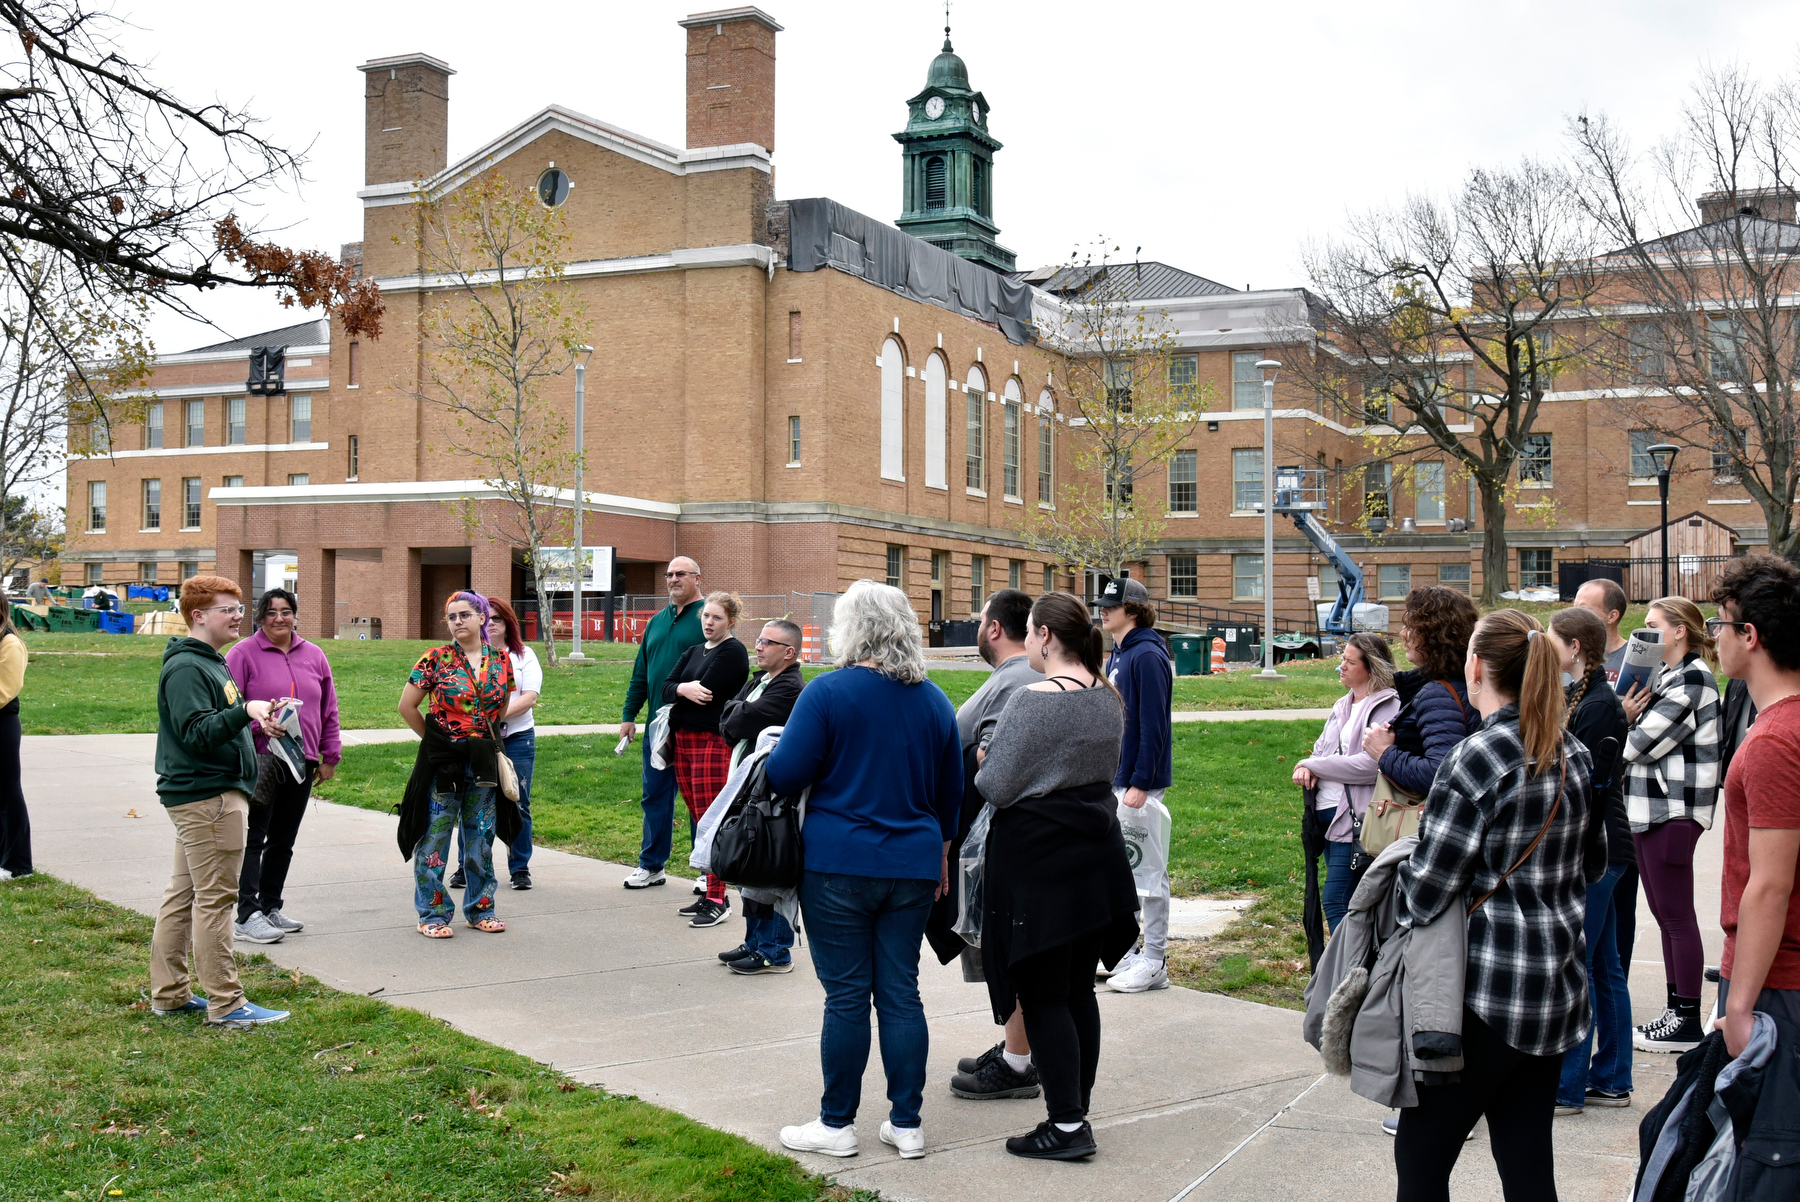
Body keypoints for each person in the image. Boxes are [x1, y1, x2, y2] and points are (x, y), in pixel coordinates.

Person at [1395, 609, 1604, 1199]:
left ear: (1476, 666)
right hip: (1554, 989)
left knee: (1421, 1159)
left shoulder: (1477, 756)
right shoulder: (1574, 754)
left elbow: (1429, 890)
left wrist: (1401, 868)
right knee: (1527, 1160)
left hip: (1483, 994)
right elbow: (1591, 864)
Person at [769, 580, 962, 1162]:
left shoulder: (827, 694)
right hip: (913, 864)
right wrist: (942, 856)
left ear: (851, 630)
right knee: (902, 993)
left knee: (847, 996)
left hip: (838, 864)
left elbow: (784, 775)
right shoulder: (934, 700)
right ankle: (907, 1124)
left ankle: (837, 1124)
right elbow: (952, 793)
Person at [975, 592, 1140, 1160]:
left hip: (1040, 862)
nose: (1026, 645)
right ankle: (1075, 1111)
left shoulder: (1031, 700)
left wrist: (988, 757)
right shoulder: (1107, 696)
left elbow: (995, 786)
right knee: (1075, 992)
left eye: (1028, 635)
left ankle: (1068, 1126)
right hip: (1093, 856)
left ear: (1044, 636)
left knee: (1044, 995)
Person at [148, 575, 289, 1027]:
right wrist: (244, 709)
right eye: (228, 608)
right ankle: (227, 1003)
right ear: (198, 615)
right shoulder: (189, 667)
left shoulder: (210, 661)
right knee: (217, 899)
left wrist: (254, 720)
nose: (238, 615)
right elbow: (196, 733)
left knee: (184, 894)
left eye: (239, 607)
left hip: (205, 796)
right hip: (209, 798)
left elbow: (212, 725)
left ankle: (169, 993)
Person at [939, 588, 1046, 1101]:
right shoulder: (1010, 677)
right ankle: (1016, 1049)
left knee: (1011, 956)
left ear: (995, 628)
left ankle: (1020, 1063)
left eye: (981, 620)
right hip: (991, 840)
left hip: (1001, 842)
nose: (978, 628)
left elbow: (1000, 768)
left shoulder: (1020, 678)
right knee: (1003, 955)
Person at [1708, 557, 1800, 1141]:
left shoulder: (1773, 739)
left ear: (1751, 635)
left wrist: (1739, 1006)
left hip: (1777, 980)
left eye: (1720, 623)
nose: (1713, 637)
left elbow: (1770, 884)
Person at [1622, 595, 1721, 1052]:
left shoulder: (1693, 679)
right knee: (1664, 916)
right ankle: (1673, 1009)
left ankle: (1685, 1018)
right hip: (1649, 808)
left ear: (1679, 631)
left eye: (1653, 625)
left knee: (1677, 916)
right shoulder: (1666, 675)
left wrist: (1622, 718)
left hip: (1674, 811)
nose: (1643, 633)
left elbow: (1636, 745)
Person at [1546, 606, 1633, 1116]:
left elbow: (1590, 790)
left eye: (1554, 640)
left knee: (1581, 965)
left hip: (1601, 849)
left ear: (1575, 647)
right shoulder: (1586, 695)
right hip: (1606, 846)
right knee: (1602, 964)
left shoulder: (1598, 704)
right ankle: (1612, 1078)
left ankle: (1569, 1087)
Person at [225, 588, 343, 944]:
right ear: (259, 617)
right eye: (271, 612)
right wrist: (258, 723)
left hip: (302, 761)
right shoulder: (243, 653)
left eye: (286, 611)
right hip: (261, 758)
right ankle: (247, 914)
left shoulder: (314, 654)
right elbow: (228, 708)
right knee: (254, 837)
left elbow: (328, 709)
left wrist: (329, 756)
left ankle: (270, 904)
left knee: (283, 839)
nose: (279, 618)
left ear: (295, 615)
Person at [398, 591, 516, 938]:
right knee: (433, 840)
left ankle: (482, 910)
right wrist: (436, 742)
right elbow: (407, 706)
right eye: (452, 617)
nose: (458, 621)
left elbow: (502, 707)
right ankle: (432, 915)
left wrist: (481, 735)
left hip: (482, 763)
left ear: (482, 618)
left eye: (465, 614)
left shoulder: (501, 660)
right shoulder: (435, 659)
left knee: (480, 838)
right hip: (443, 764)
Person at [1293, 632, 1400, 934]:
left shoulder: (1387, 706)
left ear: (1371, 668)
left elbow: (1371, 766)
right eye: (1342, 659)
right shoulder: (1343, 704)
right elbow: (1321, 749)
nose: (1341, 666)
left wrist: (1312, 765)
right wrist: (1311, 768)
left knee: (1336, 899)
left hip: (1355, 822)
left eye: (1350, 662)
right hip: (1325, 816)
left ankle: (1350, 969)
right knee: (1347, 899)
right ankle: (1356, 968)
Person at [1096, 577, 1173, 994]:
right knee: (1124, 869)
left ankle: (1156, 959)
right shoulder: (1121, 652)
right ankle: (1128, 952)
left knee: (1149, 870)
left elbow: (1154, 724)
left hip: (1138, 784)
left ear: (1135, 609)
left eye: (1112, 605)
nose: (1103, 610)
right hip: (1119, 780)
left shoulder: (1146, 655)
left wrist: (1141, 781)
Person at [716, 617, 806, 974]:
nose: (758, 646)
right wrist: (735, 714)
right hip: (744, 789)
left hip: (771, 797)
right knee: (749, 864)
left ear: (789, 652)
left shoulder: (789, 688)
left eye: (768, 642)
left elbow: (738, 720)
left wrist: (735, 714)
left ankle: (775, 951)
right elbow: (727, 717)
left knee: (768, 866)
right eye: (759, 639)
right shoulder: (760, 681)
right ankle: (755, 942)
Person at [662, 591, 750, 928]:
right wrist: (684, 690)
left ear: (731, 621)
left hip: (712, 740)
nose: (709, 623)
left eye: (716, 618)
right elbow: (666, 688)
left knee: (712, 816)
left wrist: (679, 692)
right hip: (683, 739)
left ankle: (718, 897)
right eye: (705, 617)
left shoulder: (733, 651)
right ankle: (710, 890)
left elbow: (708, 692)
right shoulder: (693, 651)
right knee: (697, 814)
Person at [619, 557, 706, 890]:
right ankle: (652, 865)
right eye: (669, 574)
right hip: (658, 727)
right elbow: (641, 672)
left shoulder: (707, 619)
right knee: (654, 795)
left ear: (697, 578)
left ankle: (705, 870)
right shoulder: (656, 621)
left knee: (699, 798)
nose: (673, 579)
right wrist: (629, 715)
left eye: (680, 574)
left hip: (694, 726)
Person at [450, 597, 540, 892]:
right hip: (477, 741)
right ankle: (466, 866)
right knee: (472, 803)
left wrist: (494, 716)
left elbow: (528, 698)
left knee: (517, 803)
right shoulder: (469, 655)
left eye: (498, 619)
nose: (491, 624)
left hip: (516, 739)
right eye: (487, 618)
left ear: (508, 624)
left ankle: (519, 868)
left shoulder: (523, 655)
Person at [1573, 576, 1640, 977]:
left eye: (1587, 603)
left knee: (1609, 942)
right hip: (1605, 810)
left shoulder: (1631, 663)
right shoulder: (1575, 671)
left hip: (1619, 808)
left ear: (1612, 616)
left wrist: (1620, 720)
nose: (1577, 607)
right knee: (1603, 957)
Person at [1362, 586, 1479, 800]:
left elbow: (1438, 773)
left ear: (1434, 635)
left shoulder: (1439, 694)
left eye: (1410, 627)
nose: (1403, 634)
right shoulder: (1464, 682)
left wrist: (1384, 753)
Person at [0, 601, 29, 881]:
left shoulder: (10, 643)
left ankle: (18, 864)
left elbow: (5, 688)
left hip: (2, 725)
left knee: (7, 793)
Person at [1574, 578, 1630, 685]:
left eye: (1584, 610)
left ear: (1612, 616)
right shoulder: (1567, 655)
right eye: (1574, 608)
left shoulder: (1633, 659)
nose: (1575, 615)